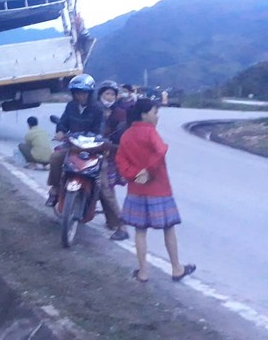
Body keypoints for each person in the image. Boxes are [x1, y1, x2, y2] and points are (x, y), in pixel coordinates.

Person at [116, 98, 196, 283]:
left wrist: (136, 175)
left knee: (140, 231)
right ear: (144, 114)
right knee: (168, 228)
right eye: (155, 112)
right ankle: (176, 268)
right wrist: (148, 171)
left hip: (136, 190)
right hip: (159, 189)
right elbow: (160, 152)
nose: (157, 116)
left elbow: (121, 161)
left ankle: (143, 272)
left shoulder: (127, 135)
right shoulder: (150, 132)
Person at [45, 74, 103, 207]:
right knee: (55, 158)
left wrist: (96, 138)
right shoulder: (71, 106)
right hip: (72, 144)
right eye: (77, 93)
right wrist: (60, 131)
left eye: (84, 93)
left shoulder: (98, 109)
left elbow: (100, 129)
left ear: (90, 93)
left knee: (102, 179)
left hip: (91, 147)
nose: (80, 96)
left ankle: (108, 214)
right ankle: (54, 189)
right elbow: (63, 122)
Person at [96, 80, 129, 241]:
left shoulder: (120, 113)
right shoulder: (95, 109)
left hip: (109, 155)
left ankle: (122, 226)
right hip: (92, 151)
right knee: (101, 188)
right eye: (106, 93)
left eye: (112, 94)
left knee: (106, 189)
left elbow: (121, 135)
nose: (108, 97)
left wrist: (110, 143)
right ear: (100, 95)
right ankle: (112, 221)